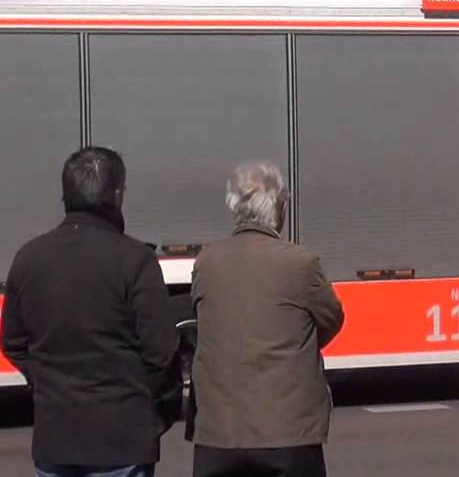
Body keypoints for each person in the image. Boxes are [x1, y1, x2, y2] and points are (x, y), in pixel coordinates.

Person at [1, 146, 181, 477]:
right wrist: (148, 411)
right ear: (116, 195)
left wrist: (45, 386)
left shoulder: (28, 258)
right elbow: (162, 352)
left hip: (55, 442)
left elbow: (13, 342)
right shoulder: (135, 260)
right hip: (123, 441)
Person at [189, 161, 344, 477]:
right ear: (281, 209)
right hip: (288, 433)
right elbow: (331, 319)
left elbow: (204, 323)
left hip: (218, 434)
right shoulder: (300, 262)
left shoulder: (206, 261)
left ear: (233, 207)